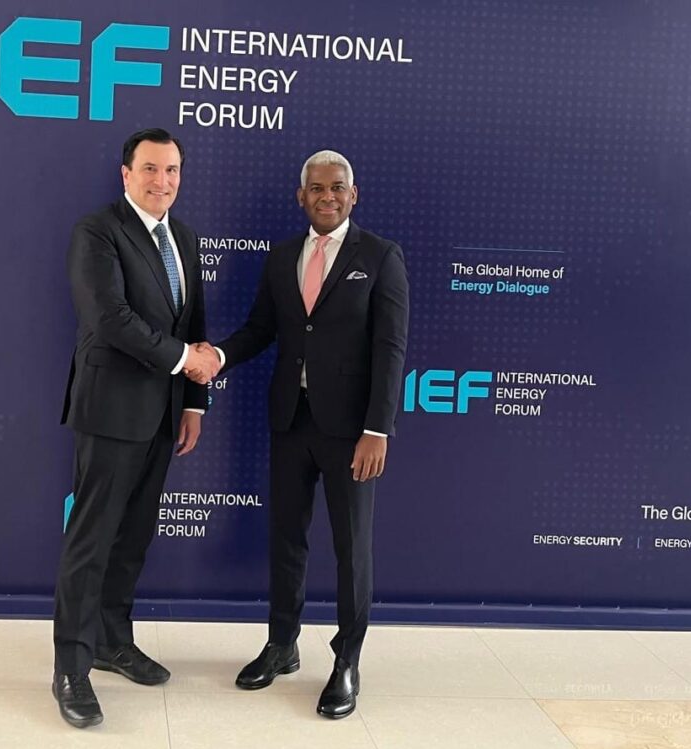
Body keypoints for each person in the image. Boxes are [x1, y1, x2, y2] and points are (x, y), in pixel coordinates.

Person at [198, 149, 409, 719]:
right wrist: (219, 356)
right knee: (286, 538)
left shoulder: (381, 256)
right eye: (316, 188)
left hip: (352, 431)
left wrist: (377, 429)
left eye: (337, 187)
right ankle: (282, 644)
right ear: (301, 196)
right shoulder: (282, 255)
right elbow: (260, 329)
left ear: (353, 194)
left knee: (351, 549)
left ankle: (347, 662)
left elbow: (391, 349)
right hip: (290, 421)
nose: (327, 196)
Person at [54, 128, 221, 729]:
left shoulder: (185, 238)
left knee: (133, 538)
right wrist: (184, 360)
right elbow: (110, 318)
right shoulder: (98, 231)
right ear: (126, 174)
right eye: (150, 168)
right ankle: (71, 669)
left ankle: (111, 642)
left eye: (172, 170)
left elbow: (195, 323)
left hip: (164, 415)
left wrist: (195, 402)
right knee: (91, 540)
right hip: (110, 411)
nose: (162, 181)